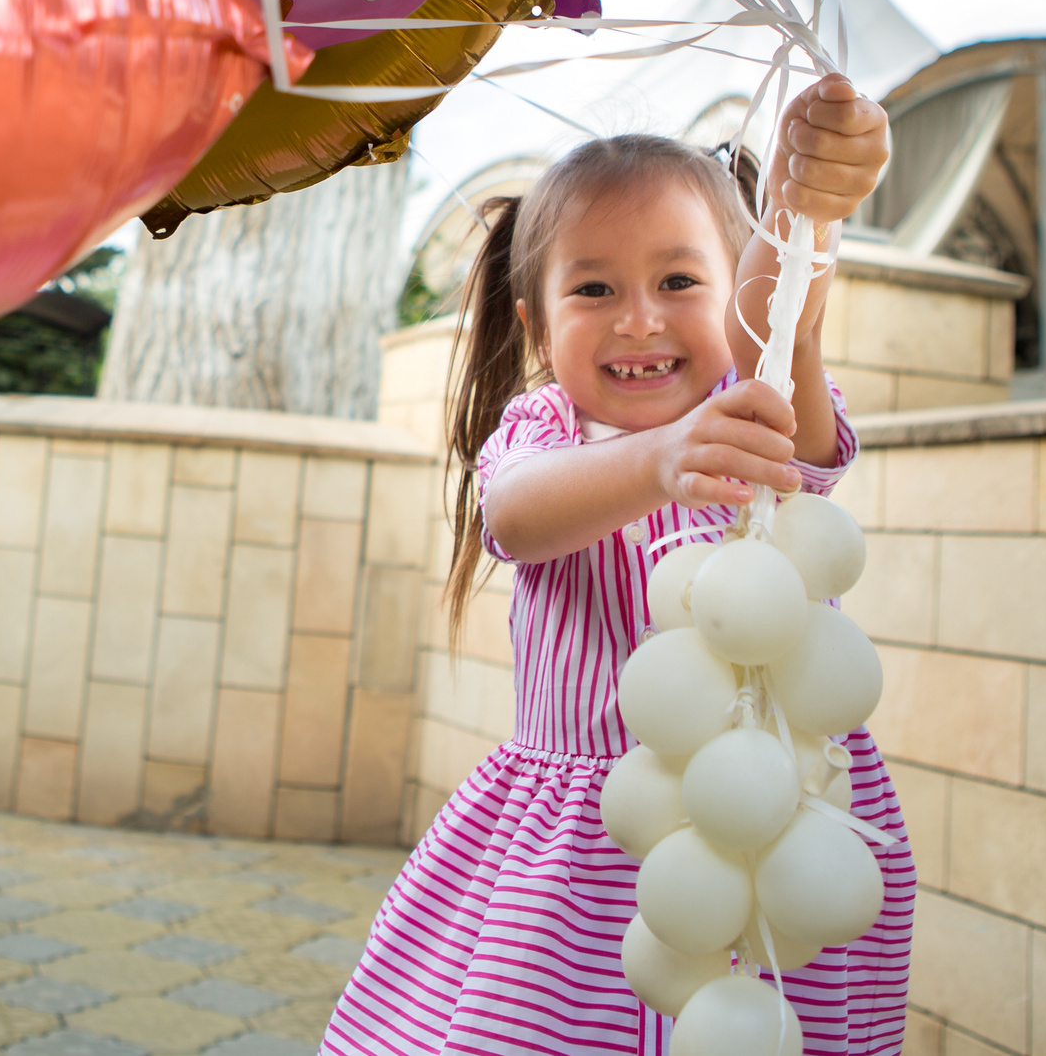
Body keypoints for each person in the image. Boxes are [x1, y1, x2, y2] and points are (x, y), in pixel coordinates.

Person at [321, 77, 910, 1056]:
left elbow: (802, 420)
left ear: (731, 296)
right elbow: (515, 512)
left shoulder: (751, 413)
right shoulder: (546, 431)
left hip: (777, 827)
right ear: (535, 325)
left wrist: (797, 266)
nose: (638, 319)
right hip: (584, 852)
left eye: (680, 282)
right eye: (593, 288)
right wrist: (656, 460)